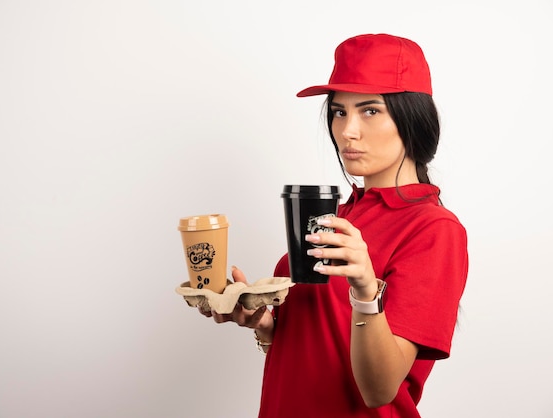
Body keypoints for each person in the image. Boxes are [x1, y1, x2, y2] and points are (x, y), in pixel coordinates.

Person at [200, 33, 468, 418]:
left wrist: (364, 288)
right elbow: (321, 347)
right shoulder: (340, 216)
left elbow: (378, 390)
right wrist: (264, 323)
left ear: (413, 119)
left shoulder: (434, 229)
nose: (347, 131)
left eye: (370, 110)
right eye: (339, 111)